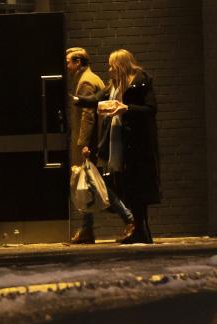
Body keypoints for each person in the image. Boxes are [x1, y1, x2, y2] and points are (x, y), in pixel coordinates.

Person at [77, 49, 160, 244]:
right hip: (122, 145)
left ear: (121, 65)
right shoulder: (114, 86)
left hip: (138, 145)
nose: (109, 69)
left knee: (136, 190)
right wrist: (77, 100)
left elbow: (151, 109)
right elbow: (96, 99)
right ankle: (139, 230)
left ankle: (141, 230)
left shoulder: (141, 82)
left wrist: (126, 108)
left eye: (112, 65)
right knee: (127, 187)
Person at [66, 47, 134, 244]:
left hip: (90, 142)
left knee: (96, 183)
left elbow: (88, 116)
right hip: (97, 141)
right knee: (89, 182)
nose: (67, 66)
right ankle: (87, 229)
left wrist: (84, 144)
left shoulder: (86, 81)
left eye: (69, 61)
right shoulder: (92, 79)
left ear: (78, 62)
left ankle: (128, 218)